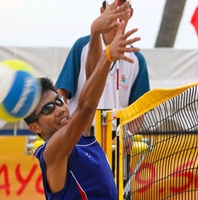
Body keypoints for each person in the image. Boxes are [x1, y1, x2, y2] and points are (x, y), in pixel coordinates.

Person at [23, 14, 141, 200]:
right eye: (48, 109)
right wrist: (107, 56)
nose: (60, 109)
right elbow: (85, 107)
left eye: (59, 101)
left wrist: (95, 34)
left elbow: (91, 79)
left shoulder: (82, 134)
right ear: (35, 127)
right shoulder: (53, 151)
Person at [55, 0, 150, 133]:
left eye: (123, 8)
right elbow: (62, 91)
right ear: (102, 11)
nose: (118, 13)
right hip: (80, 133)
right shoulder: (82, 46)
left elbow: (140, 109)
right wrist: (64, 128)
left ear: (130, 13)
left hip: (115, 136)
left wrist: (129, 134)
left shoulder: (137, 59)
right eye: (113, 7)